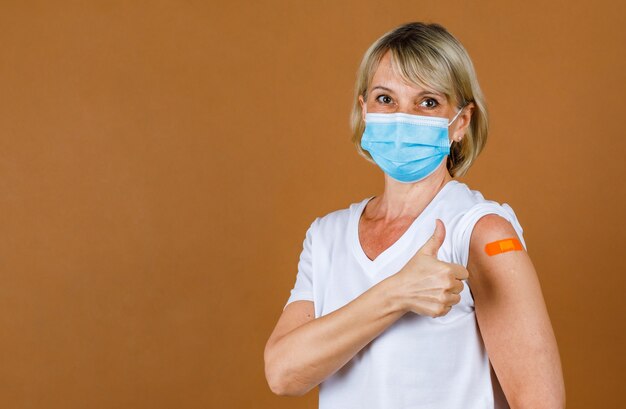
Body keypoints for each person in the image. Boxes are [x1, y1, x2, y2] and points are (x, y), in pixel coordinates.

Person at [264, 22, 565, 409]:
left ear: (460, 123)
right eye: (385, 99)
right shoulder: (326, 236)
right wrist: (398, 292)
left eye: (427, 102)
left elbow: (540, 402)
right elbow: (283, 373)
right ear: (364, 110)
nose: (403, 117)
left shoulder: (480, 231)